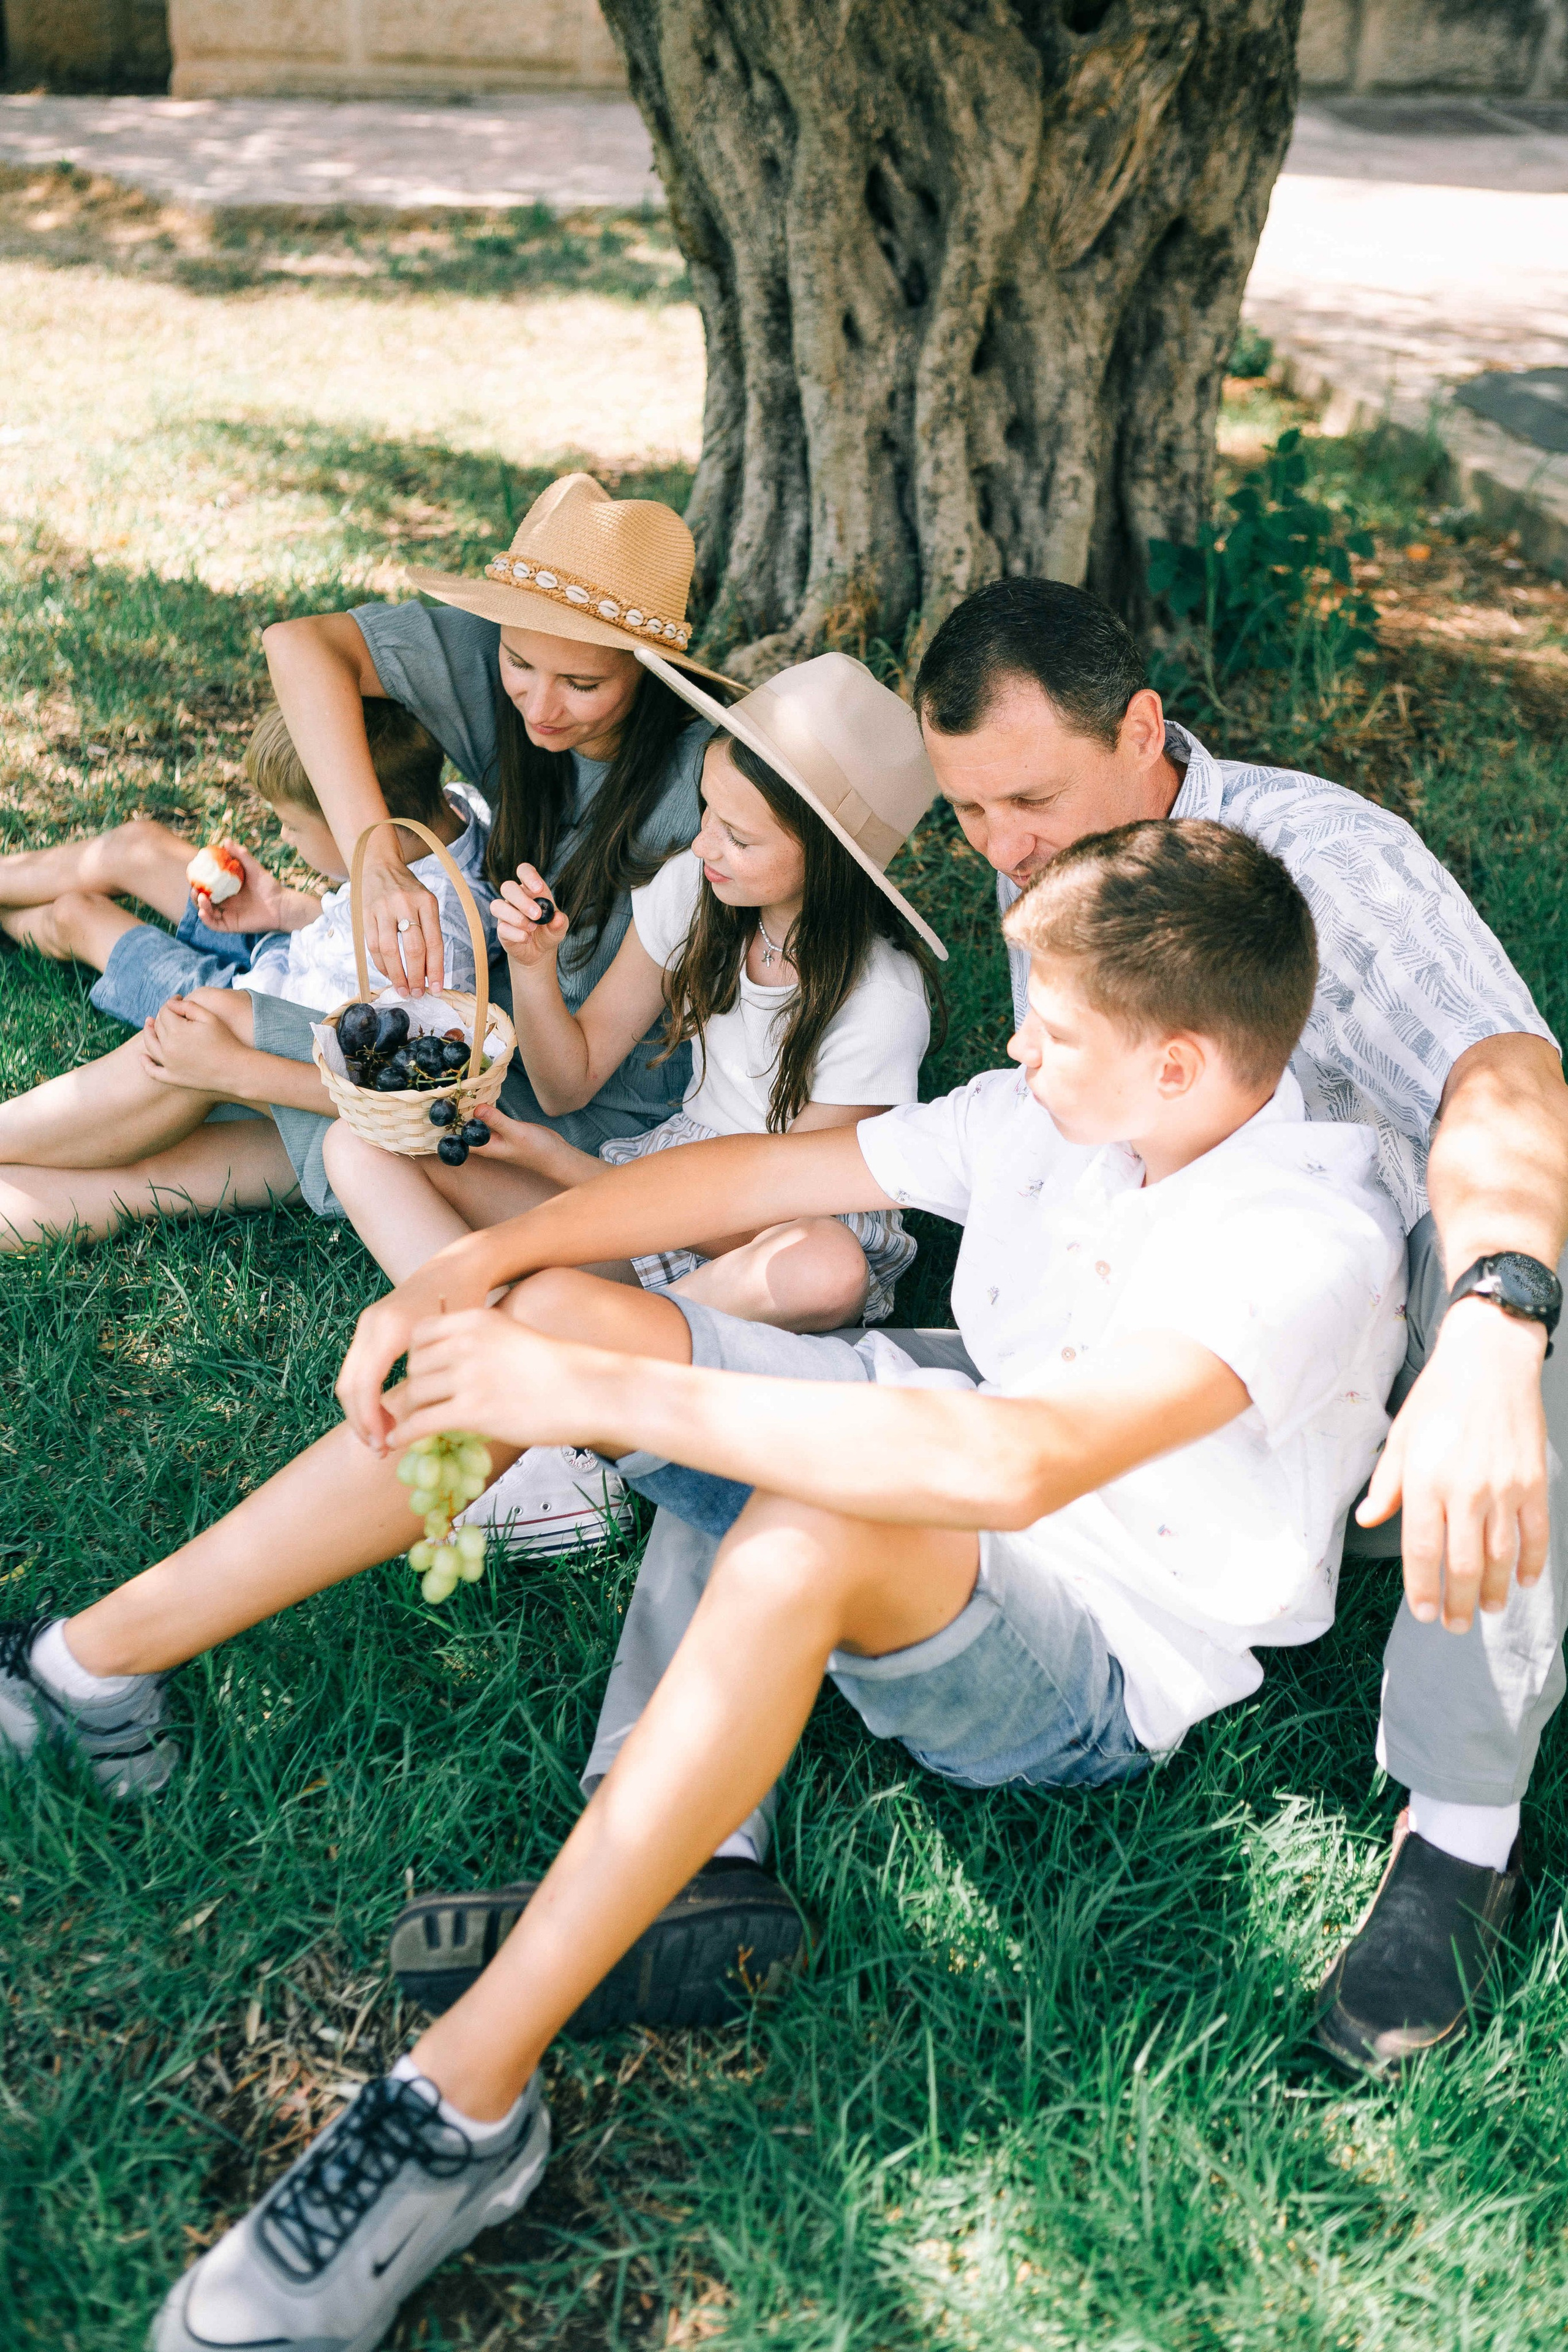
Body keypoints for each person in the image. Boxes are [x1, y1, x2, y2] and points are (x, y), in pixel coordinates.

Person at [0, 820, 1406, 2349]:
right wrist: (475, 1276)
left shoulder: (1301, 1232)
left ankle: (458, 2108)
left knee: (800, 1518)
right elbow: (759, 1169)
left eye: (1052, 1028)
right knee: (556, 1311)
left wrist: (596, 1396)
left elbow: (1015, 1464)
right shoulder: (1062, 1112)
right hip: (940, 1433)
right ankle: (89, 1671)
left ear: (1182, 1067)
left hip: (1087, 1649)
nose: (1016, 1047)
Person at [324, 652, 945, 1548]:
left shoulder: (878, 1002)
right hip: (664, 1182)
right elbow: (571, 1079)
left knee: (824, 1266)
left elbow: (771, 1213)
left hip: (770, 1236)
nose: (702, 845)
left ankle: (560, 1411)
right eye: (708, 814)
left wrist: (563, 1168)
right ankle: (554, 1386)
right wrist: (535, 973)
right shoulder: (696, 892)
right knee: (360, 1148)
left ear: (831, 858)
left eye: (739, 836)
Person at [260, 469, 741, 1161]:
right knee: (234, 1101)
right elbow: (299, 645)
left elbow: (577, 1077)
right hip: (480, 1045)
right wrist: (380, 865)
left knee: (224, 1039)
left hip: (588, 1103)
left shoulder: (698, 786)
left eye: (584, 685)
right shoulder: (503, 660)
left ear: (649, 670)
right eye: (517, 661)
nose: (539, 708)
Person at [0, 701, 486, 1250]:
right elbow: (352, 944)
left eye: (295, 824)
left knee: (77, 915)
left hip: (253, 1012)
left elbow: (404, 1079)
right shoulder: (454, 814)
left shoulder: (428, 935)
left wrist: (236, 1066)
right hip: (294, 954)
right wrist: (284, 907)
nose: (283, 834)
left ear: (356, 820)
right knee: (136, 846)